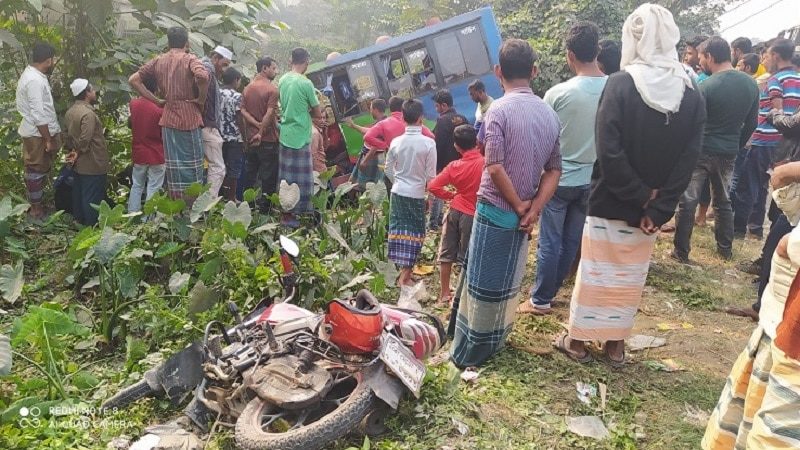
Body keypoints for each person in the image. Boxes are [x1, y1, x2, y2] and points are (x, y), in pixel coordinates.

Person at [556, 4, 705, 367]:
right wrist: (657, 206)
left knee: (597, 273)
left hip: (611, 198)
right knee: (629, 277)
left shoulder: (621, 83)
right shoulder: (691, 93)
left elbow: (608, 149)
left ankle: (577, 341)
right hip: (650, 213)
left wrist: (638, 195)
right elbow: (689, 158)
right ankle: (615, 346)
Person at [450, 39, 561, 368]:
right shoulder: (549, 114)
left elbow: (493, 165)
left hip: (496, 210)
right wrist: (534, 208)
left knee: (482, 283)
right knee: (507, 283)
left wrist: (518, 206)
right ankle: (496, 340)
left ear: (498, 71)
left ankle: (471, 350)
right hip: (523, 217)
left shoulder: (496, 110)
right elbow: (554, 169)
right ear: (535, 71)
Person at [703, 161, 800, 449]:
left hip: (792, 344)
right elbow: (782, 183)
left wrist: (789, 245)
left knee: (773, 435)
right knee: (755, 421)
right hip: (778, 324)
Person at [518, 22, 608, 316]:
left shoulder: (558, 94)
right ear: (597, 51)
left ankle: (540, 300)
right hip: (593, 180)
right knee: (571, 240)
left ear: (570, 55)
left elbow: (540, 141)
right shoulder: (615, 89)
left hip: (558, 180)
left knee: (550, 243)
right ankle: (551, 291)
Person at [672, 37, 759, 263]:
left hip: (701, 150)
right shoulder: (751, 84)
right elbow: (752, 123)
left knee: (688, 201)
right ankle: (725, 250)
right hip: (729, 152)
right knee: (723, 201)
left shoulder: (705, 87)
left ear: (710, 56)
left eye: (701, 57)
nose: (700, 63)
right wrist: (736, 144)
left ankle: (681, 252)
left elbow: (691, 122)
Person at [129, 26, 209, 202]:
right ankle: (193, 207)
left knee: (174, 168)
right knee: (193, 166)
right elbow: (202, 77)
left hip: (169, 119)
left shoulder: (159, 60)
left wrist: (156, 100)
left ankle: (176, 207)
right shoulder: (190, 59)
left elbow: (133, 80)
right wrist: (201, 100)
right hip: (190, 117)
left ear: (168, 42)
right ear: (186, 43)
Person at [734, 38, 800, 239]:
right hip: (787, 145)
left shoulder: (774, 80)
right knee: (767, 187)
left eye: (766, 55)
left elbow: (776, 110)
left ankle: (738, 230)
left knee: (748, 184)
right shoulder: (797, 78)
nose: (763, 60)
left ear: (776, 56)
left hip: (764, 138)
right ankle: (755, 229)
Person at [428, 124, 484, 305]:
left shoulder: (453, 166)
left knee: (447, 252)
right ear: (476, 142)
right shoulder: (485, 164)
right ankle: (465, 294)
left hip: (454, 211)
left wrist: (451, 195)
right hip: (473, 214)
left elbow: (433, 186)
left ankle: (444, 293)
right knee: (468, 255)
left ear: (456, 147)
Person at [384, 99, 437, 287]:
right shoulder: (429, 144)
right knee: (416, 233)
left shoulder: (396, 142)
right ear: (421, 118)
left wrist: (398, 181)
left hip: (398, 193)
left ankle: (404, 273)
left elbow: (388, 170)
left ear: (403, 118)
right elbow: (432, 177)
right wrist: (430, 197)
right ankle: (404, 277)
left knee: (399, 232)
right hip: (416, 193)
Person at [16, 42, 63, 220]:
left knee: (40, 169)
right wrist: (47, 139)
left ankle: (38, 205)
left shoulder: (33, 75)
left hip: (38, 131)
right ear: (49, 60)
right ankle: (36, 210)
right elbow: (38, 113)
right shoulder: (34, 80)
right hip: (37, 133)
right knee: (35, 170)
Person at [277, 47, 322, 227]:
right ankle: (303, 216)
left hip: (285, 133)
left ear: (290, 61)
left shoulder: (282, 80)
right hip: (301, 136)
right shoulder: (306, 83)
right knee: (303, 180)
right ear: (307, 62)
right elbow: (318, 112)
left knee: (286, 179)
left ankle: (286, 215)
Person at [64, 79, 109, 226]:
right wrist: (78, 151)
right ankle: (92, 226)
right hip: (93, 162)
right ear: (87, 93)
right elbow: (85, 139)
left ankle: (79, 221)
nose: (94, 92)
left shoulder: (70, 112)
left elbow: (67, 135)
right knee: (92, 196)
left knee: (79, 193)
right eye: (92, 90)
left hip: (79, 164)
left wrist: (72, 151)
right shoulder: (88, 114)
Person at [241, 56, 281, 212]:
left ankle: (248, 206)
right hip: (268, 140)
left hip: (251, 139)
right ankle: (266, 209)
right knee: (268, 176)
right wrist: (261, 130)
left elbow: (243, 112)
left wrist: (254, 129)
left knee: (250, 174)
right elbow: (270, 113)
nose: (275, 71)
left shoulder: (247, 88)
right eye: (273, 68)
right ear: (265, 68)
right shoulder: (272, 89)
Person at [128, 76, 165, 213]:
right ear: (156, 88)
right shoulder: (159, 109)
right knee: (154, 187)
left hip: (139, 152)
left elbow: (131, 123)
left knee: (137, 185)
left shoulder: (134, 104)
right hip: (157, 153)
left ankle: (132, 216)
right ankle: (149, 220)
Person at [431, 89, 467, 230]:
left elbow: (438, 144)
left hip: (447, 163)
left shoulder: (442, 120)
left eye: (437, 106)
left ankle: (435, 221)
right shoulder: (462, 117)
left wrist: (437, 165)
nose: (436, 109)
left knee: (437, 189)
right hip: (463, 161)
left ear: (444, 106)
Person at [200, 46, 233, 197]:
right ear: (215, 59)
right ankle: (207, 204)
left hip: (204, 125)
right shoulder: (206, 72)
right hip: (207, 125)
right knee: (218, 168)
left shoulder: (209, 73)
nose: (225, 70)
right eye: (224, 64)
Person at [345, 98, 388, 187]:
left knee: (367, 187)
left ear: (376, 110)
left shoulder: (381, 124)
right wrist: (353, 125)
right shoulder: (382, 122)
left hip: (373, 158)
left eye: (371, 108)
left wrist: (365, 160)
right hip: (371, 157)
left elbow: (376, 145)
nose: (370, 111)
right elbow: (369, 131)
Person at [219, 67, 244, 201]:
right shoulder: (237, 96)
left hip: (218, 135)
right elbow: (240, 118)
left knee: (220, 167)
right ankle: (231, 198)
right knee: (233, 170)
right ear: (236, 80)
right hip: (234, 137)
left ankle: (220, 196)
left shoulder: (216, 93)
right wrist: (244, 138)